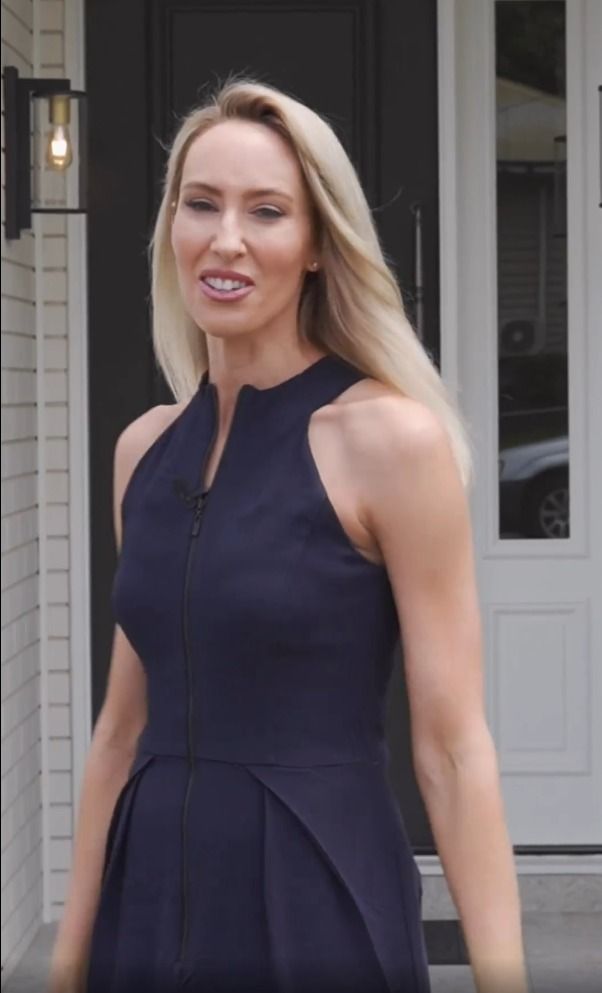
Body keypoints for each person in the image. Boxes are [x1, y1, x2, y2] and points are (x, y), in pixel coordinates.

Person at [49, 79, 530, 993]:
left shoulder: (390, 441)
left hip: (316, 900)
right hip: (144, 907)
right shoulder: (144, 451)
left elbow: (453, 749)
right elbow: (120, 729)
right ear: (172, 228)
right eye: (202, 204)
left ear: (316, 246)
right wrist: (70, 962)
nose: (226, 238)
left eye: (266, 211)